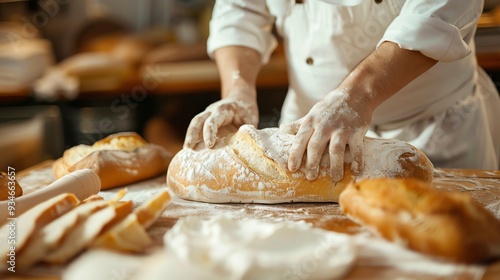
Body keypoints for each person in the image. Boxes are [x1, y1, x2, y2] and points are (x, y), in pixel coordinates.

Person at [184, 0, 500, 182]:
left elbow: (435, 13)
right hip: (309, 131)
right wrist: (238, 90)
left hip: (433, 127)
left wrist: (356, 95)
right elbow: (240, 12)